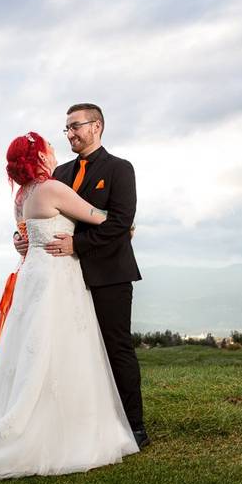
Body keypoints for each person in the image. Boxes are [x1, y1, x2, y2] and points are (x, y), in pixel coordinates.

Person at [0, 131, 139, 479]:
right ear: (40, 157)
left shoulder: (22, 197)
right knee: (65, 347)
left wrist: (20, 241)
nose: (55, 150)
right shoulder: (52, 189)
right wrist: (126, 227)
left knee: (32, 349)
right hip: (58, 275)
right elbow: (105, 219)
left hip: (33, 277)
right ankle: (68, 429)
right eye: (50, 147)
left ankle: (28, 416)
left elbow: (23, 236)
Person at [31, 103, 147, 448]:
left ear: (96, 126)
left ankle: (134, 425)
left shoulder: (119, 169)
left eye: (75, 126)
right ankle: (80, 423)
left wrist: (77, 245)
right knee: (73, 350)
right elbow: (48, 217)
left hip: (110, 275)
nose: (69, 134)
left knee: (117, 348)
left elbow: (120, 222)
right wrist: (24, 237)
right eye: (66, 129)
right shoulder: (60, 174)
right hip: (64, 279)